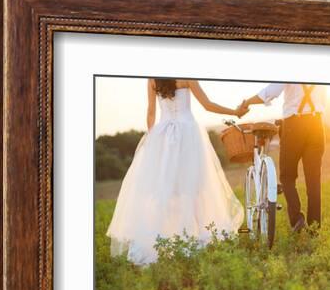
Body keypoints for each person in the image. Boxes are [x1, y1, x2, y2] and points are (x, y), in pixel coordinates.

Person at [106, 78, 249, 265]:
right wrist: (235, 112)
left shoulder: (152, 79)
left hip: (164, 135)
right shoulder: (187, 77)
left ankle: (165, 237)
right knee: (194, 188)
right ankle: (195, 235)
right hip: (189, 134)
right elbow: (207, 105)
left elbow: (151, 112)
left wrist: (152, 140)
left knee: (165, 189)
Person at [240, 83, 326, 232]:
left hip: (294, 125)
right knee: (314, 180)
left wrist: (246, 102)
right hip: (317, 125)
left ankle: (297, 219)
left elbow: (269, 92)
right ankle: (314, 228)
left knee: (287, 176)